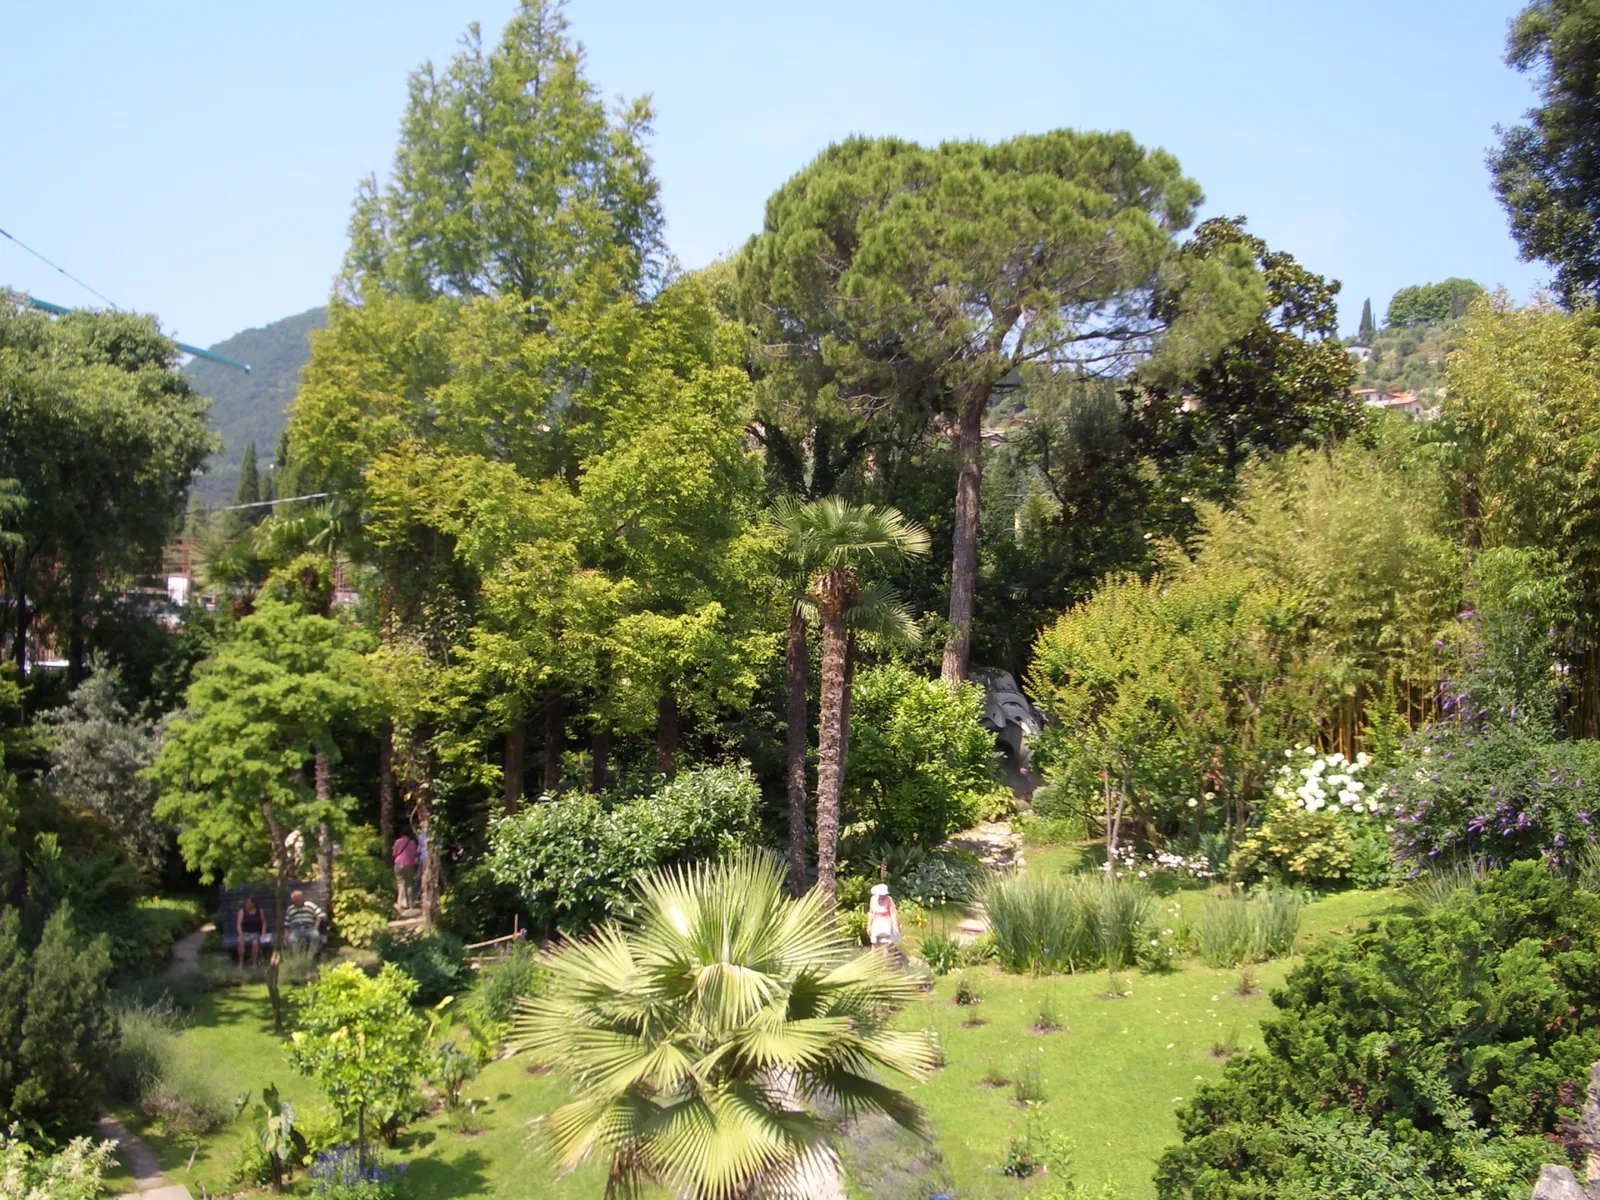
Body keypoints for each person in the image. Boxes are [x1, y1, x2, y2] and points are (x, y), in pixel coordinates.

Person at [285, 888, 326, 956]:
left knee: (315, 936)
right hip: (296, 930)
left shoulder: (310, 905)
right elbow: (287, 922)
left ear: (301, 898)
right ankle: (297, 957)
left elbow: (320, 914)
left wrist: (316, 926)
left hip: (309, 928)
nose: (294, 900)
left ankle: (310, 957)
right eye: (293, 899)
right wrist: (286, 932)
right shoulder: (290, 909)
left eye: (296, 898)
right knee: (292, 939)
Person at [866, 883, 901, 948]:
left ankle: (888, 957)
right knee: (874, 944)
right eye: (881, 895)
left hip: (886, 924)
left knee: (887, 945)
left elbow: (893, 913)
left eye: (884, 894)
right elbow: (871, 913)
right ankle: (875, 957)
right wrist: (869, 926)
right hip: (876, 924)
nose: (883, 896)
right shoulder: (873, 899)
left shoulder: (889, 899)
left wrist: (896, 926)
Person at [392, 829, 419, 912]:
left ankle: (401, 903)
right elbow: (415, 853)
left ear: (401, 834)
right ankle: (411, 903)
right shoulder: (413, 843)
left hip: (399, 864)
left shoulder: (398, 842)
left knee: (401, 883)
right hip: (409, 865)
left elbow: (394, 853)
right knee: (409, 884)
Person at [236, 895, 265, 968]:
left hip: (255, 933)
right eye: (246, 902)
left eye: (249, 903)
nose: (247, 904)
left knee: (255, 943)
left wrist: (263, 932)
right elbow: (238, 924)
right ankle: (241, 963)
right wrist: (240, 934)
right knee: (241, 942)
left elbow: (263, 922)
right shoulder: (242, 912)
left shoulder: (259, 911)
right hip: (245, 933)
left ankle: (254, 963)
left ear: (253, 904)